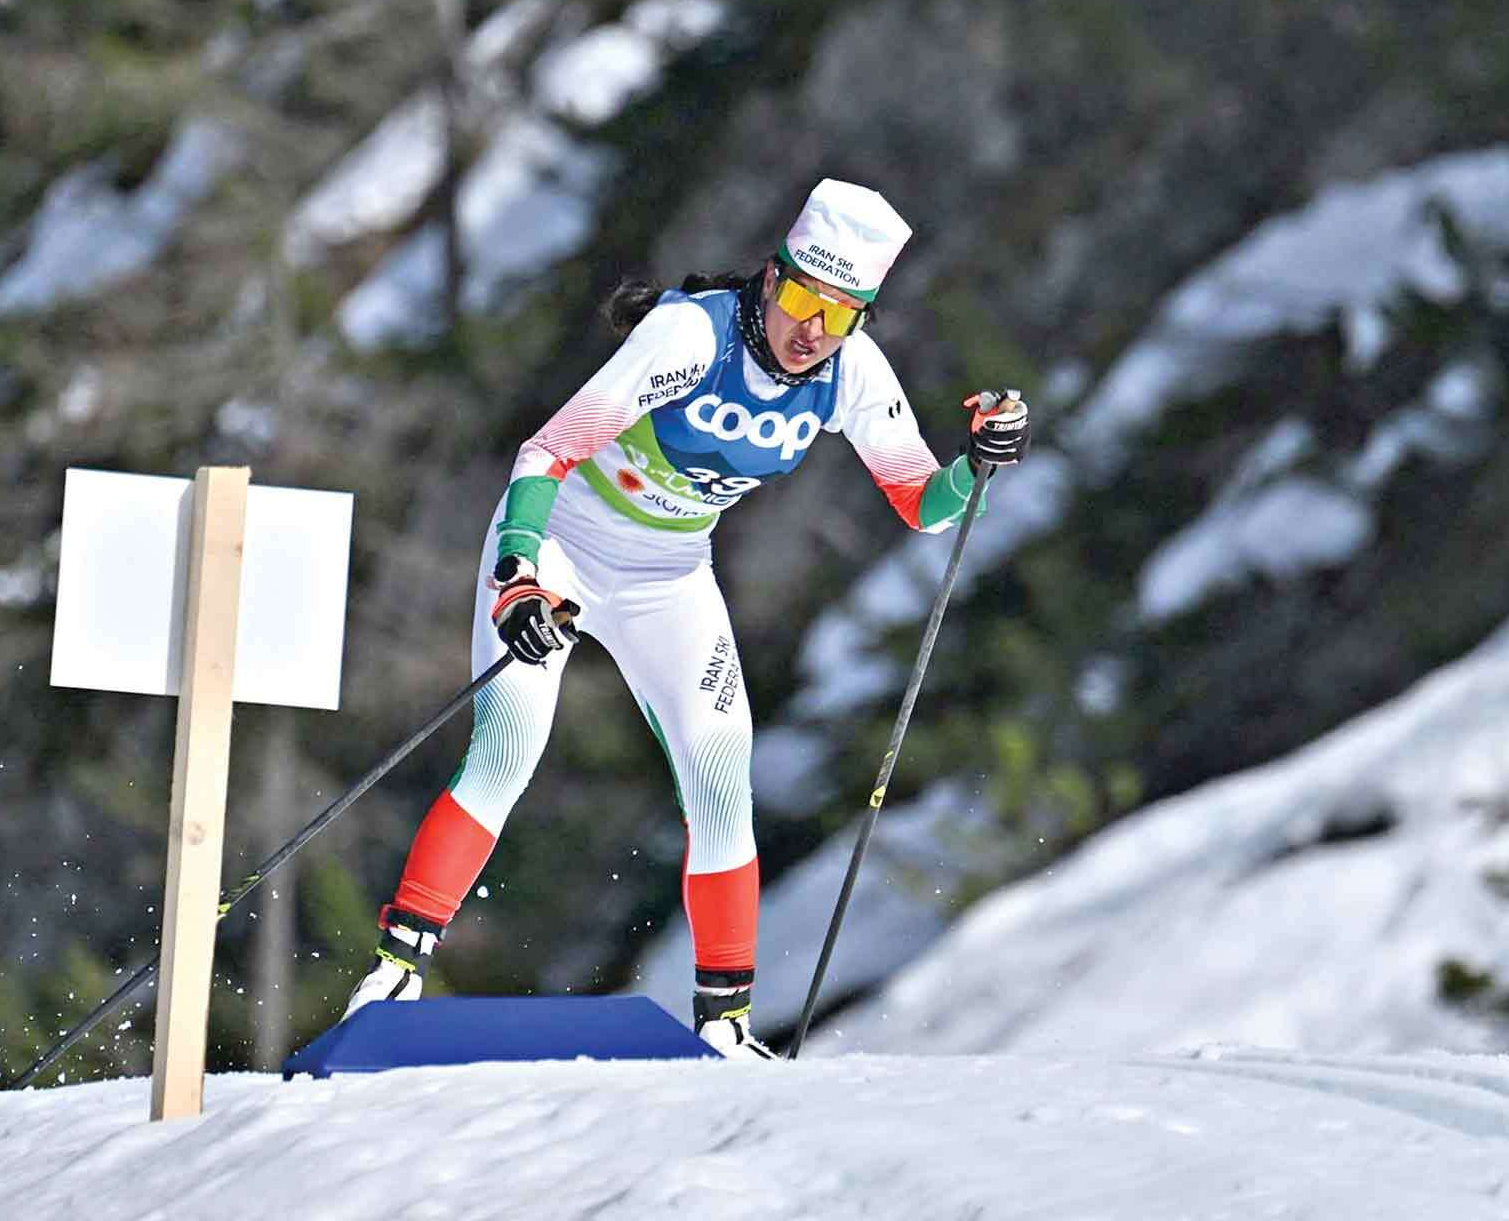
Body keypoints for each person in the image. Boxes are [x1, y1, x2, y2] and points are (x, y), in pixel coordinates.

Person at [343, 179, 1031, 1058]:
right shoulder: (689, 334)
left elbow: (920, 503)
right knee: (506, 752)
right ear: (768, 280)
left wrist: (976, 463)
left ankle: (726, 1025)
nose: (810, 331)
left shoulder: (852, 373)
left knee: (718, 783)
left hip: (669, 573)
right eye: (796, 300)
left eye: (838, 314)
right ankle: (396, 971)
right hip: (561, 544)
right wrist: (518, 575)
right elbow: (547, 451)